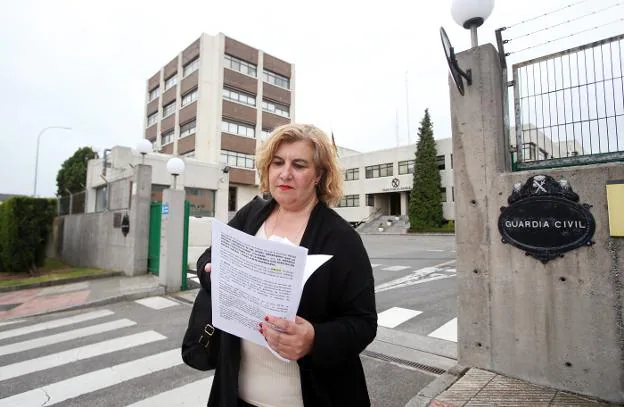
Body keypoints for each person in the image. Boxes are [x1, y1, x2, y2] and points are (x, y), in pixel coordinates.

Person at [196, 123, 377, 407]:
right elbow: (208, 258)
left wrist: (315, 338)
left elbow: (364, 323)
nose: (285, 173)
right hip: (236, 394)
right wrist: (214, 274)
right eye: (278, 162)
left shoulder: (342, 239)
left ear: (319, 175)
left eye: (299, 165)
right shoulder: (251, 214)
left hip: (310, 397)